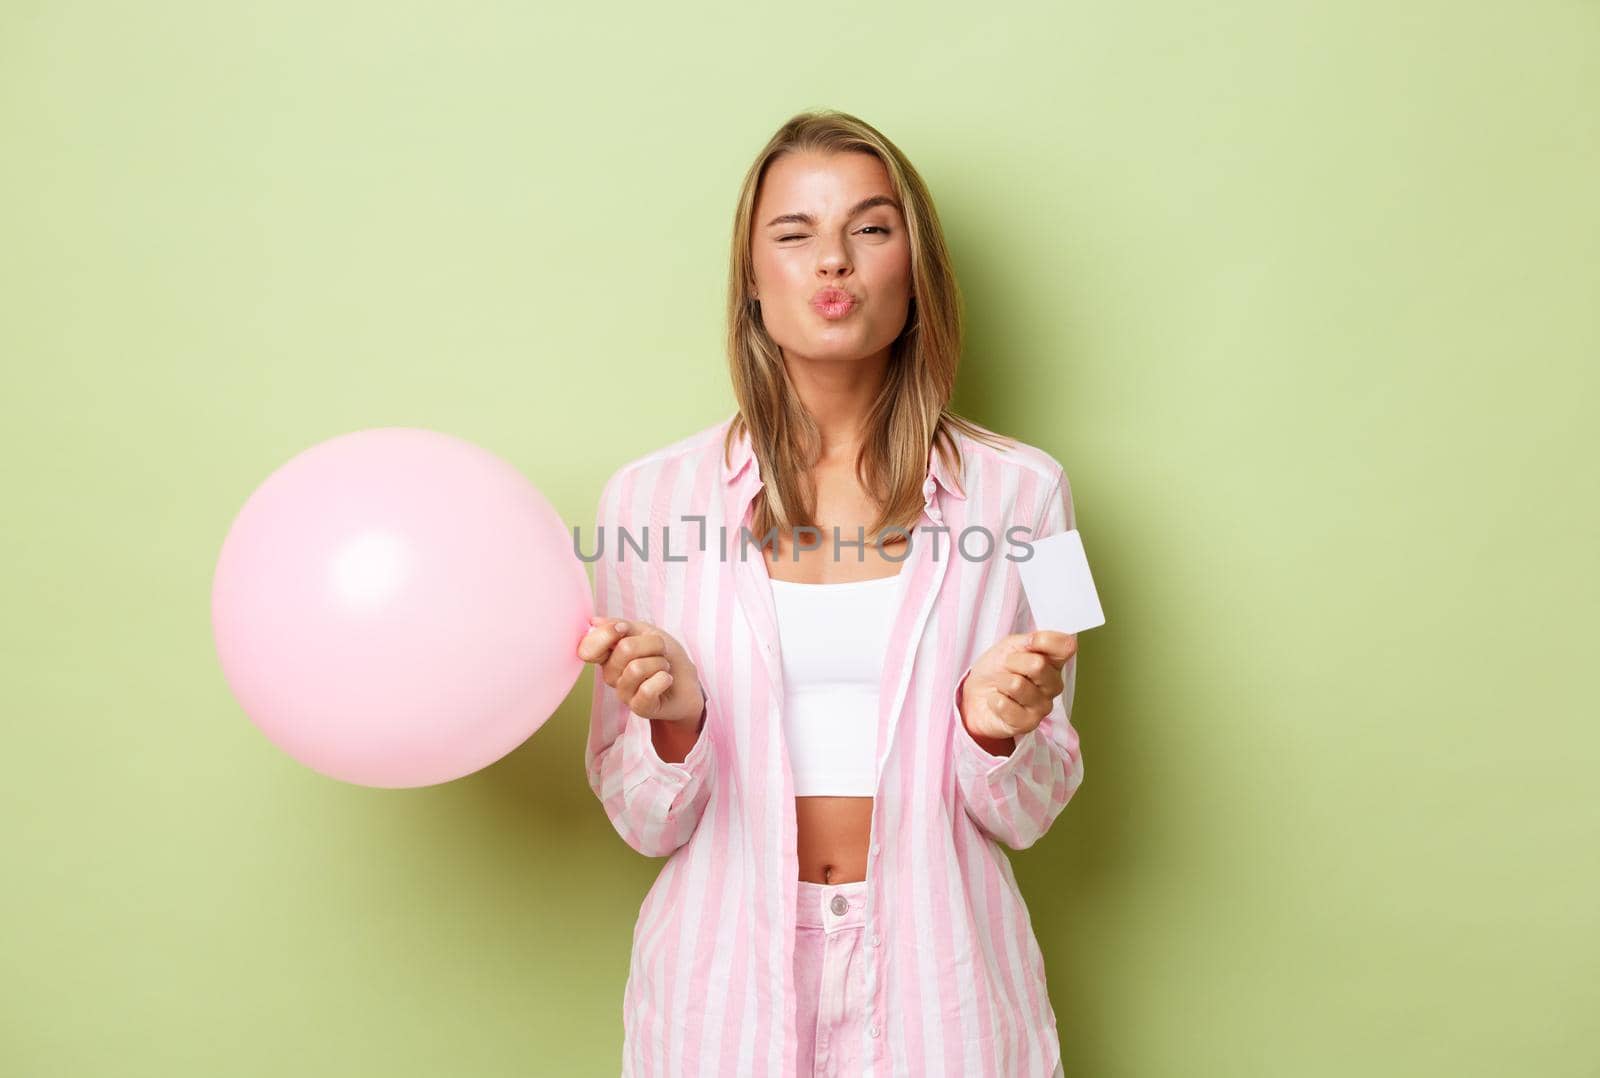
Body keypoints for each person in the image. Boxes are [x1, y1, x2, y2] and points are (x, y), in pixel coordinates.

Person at [576, 109, 1083, 1078]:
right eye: (794, 233)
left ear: (915, 268)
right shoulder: (644, 500)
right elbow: (638, 817)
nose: (833, 262)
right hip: (719, 987)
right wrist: (677, 724)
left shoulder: (1033, 493)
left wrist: (996, 730)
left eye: (871, 228)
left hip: (947, 985)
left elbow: (1043, 796)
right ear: (751, 279)